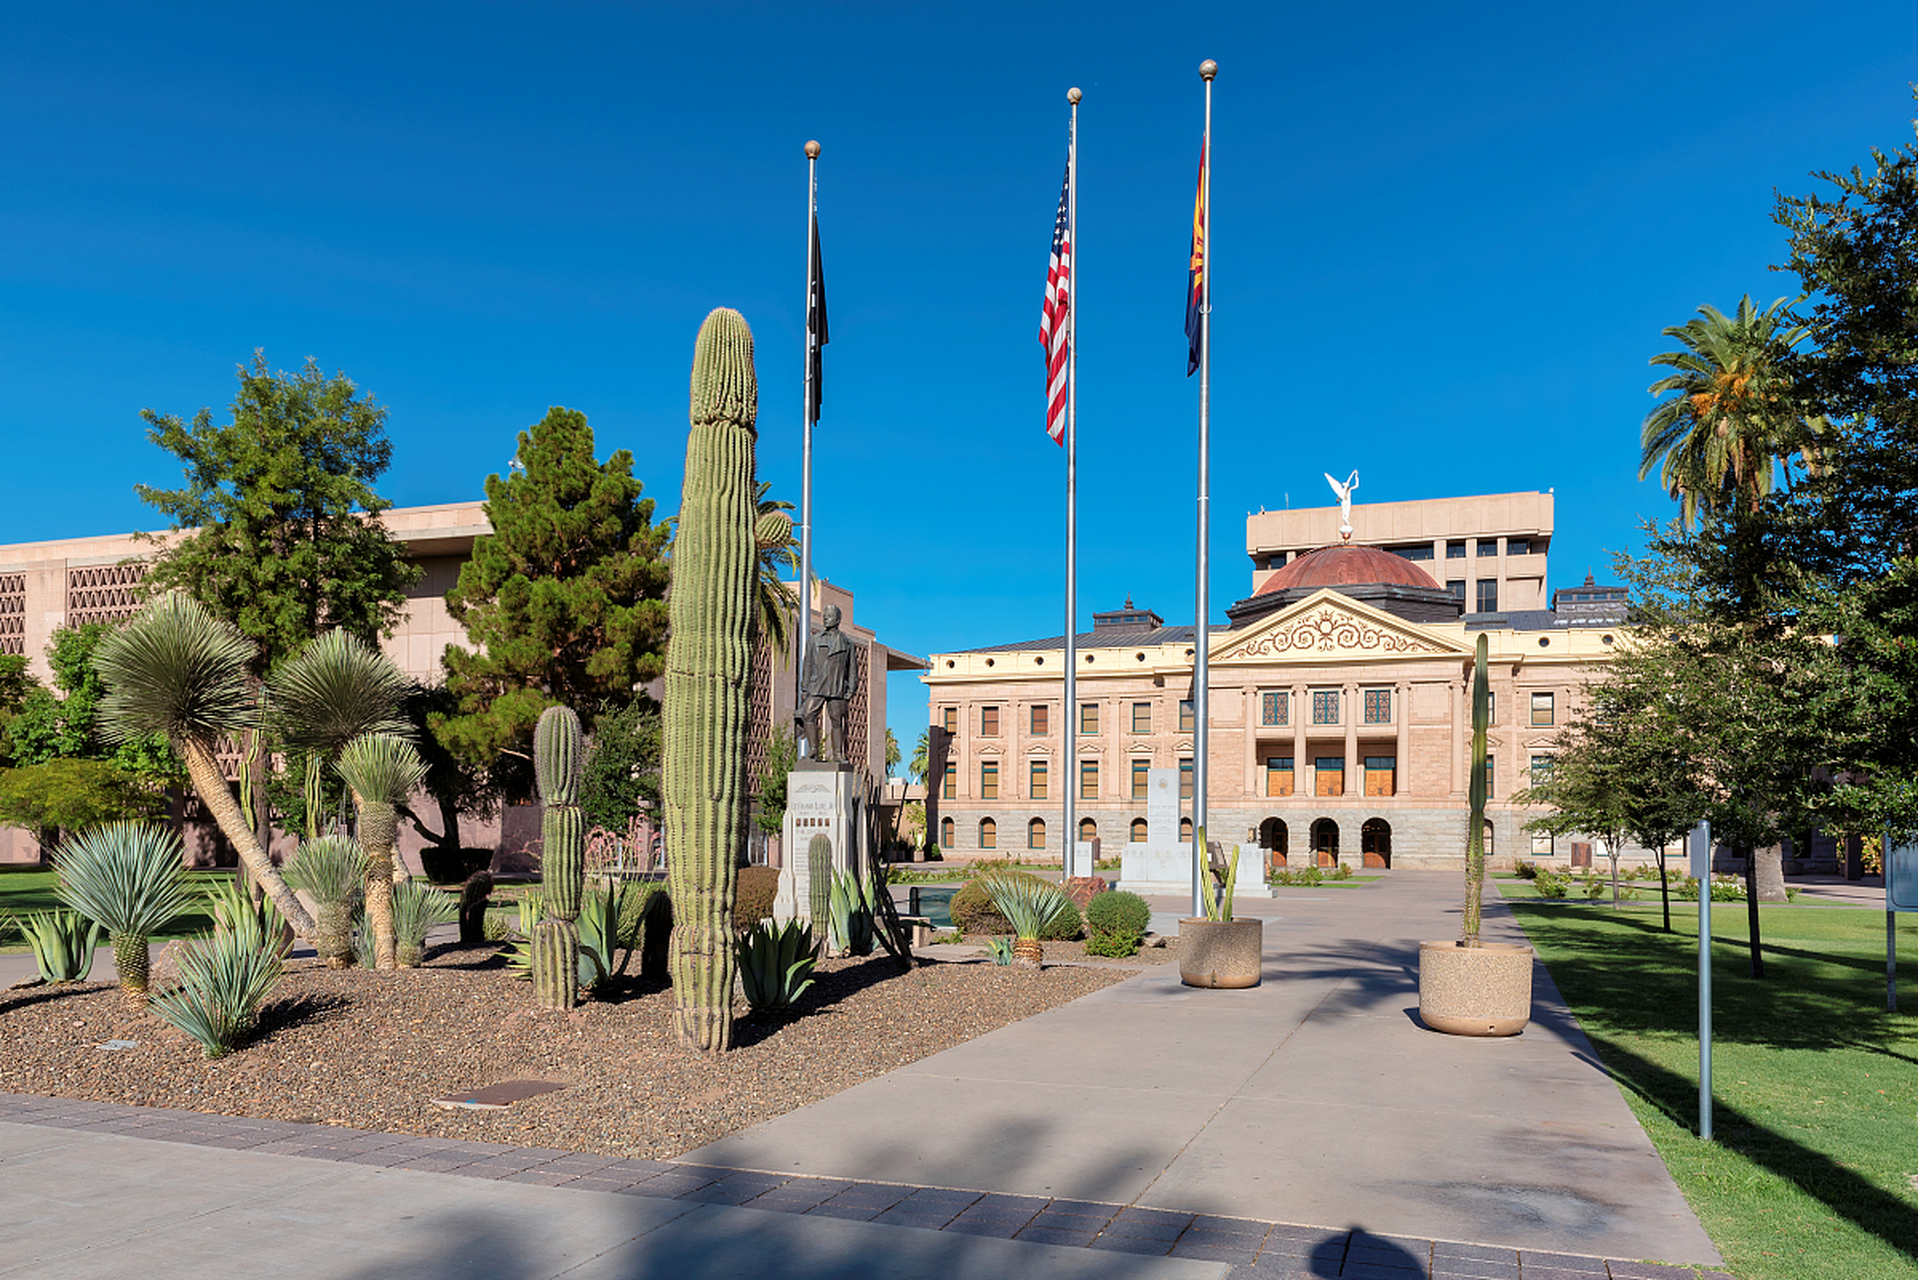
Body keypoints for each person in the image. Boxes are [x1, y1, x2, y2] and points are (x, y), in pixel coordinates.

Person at [797, 604, 859, 764]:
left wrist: (851, 690)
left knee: (837, 720)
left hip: (836, 686)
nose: (825, 618)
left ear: (838, 619)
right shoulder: (814, 640)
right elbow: (808, 665)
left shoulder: (847, 643)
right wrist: (804, 688)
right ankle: (813, 751)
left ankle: (838, 754)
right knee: (808, 714)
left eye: (829, 615)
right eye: (824, 615)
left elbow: (852, 670)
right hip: (817, 685)